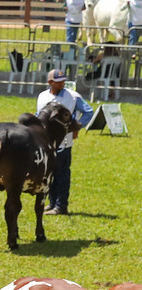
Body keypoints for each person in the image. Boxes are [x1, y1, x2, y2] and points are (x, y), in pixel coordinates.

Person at [36, 69, 93, 215]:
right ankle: (52, 202)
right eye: (59, 81)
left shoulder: (73, 97)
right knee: (50, 174)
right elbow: (39, 115)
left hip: (64, 143)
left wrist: (77, 127)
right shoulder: (42, 96)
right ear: (50, 82)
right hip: (47, 143)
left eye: (63, 80)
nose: (62, 83)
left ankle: (61, 206)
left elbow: (88, 111)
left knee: (62, 174)